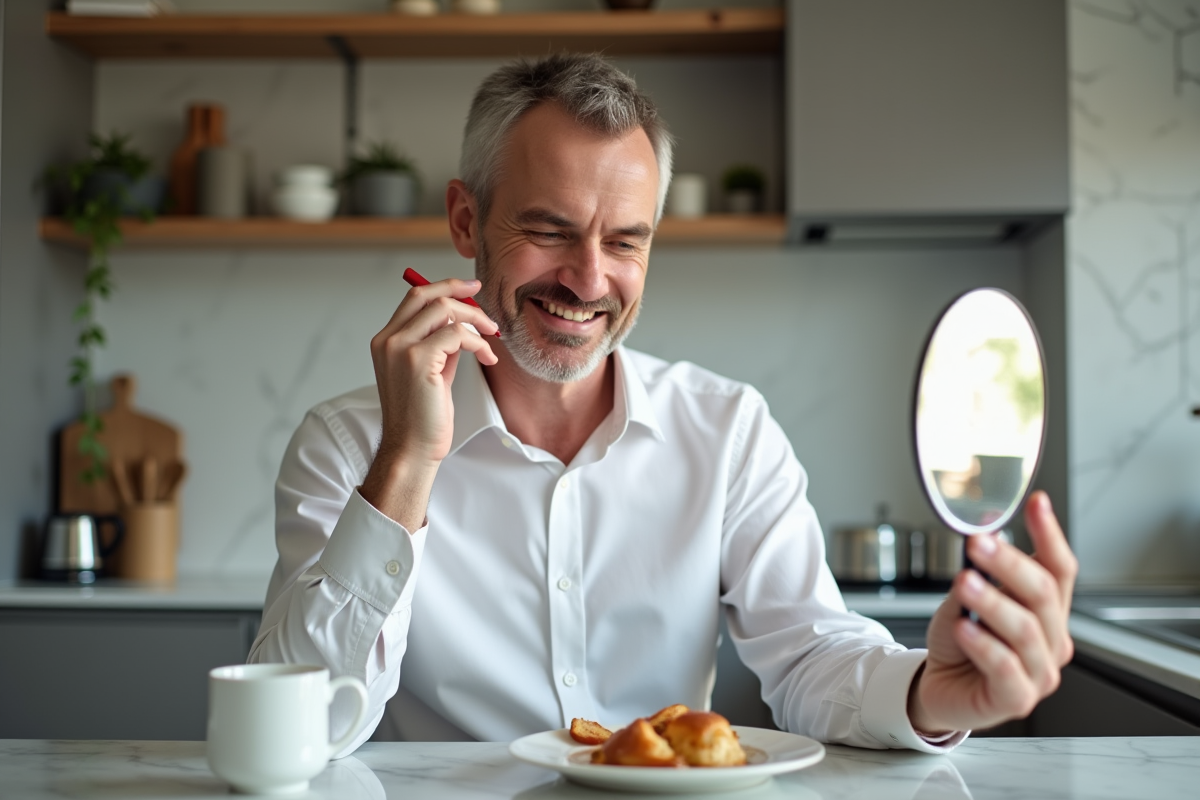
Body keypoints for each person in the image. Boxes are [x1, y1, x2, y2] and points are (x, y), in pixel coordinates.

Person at [249, 53, 1077, 756]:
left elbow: (811, 655)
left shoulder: (726, 429)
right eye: (550, 229)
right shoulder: (349, 443)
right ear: (468, 219)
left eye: (625, 241)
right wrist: (405, 464)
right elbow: (304, 728)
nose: (588, 277)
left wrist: (931, 694)